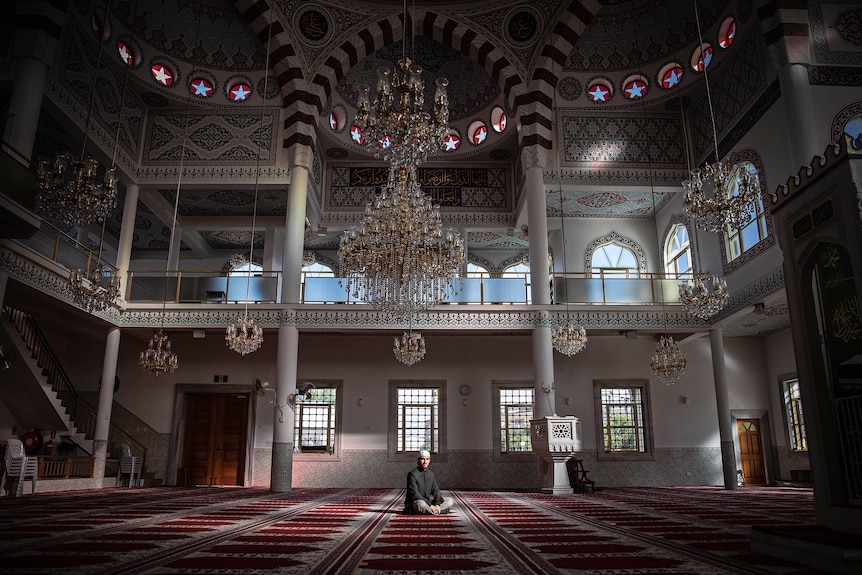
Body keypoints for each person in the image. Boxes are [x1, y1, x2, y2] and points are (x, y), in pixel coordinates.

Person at [404, 450, 454, 515]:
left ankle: (433, 511)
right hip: (416, 502)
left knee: (449, 501)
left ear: (429, 460)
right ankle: (440, 511)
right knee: (421, 504)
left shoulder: (430, 474)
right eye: (423, 459)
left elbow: (436, 491)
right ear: (418, 460)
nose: (425, 462)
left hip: (428, 502)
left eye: (427, 459)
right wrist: (430, 505)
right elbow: (415, 494)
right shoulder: (412, 474)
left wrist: (437, 504)